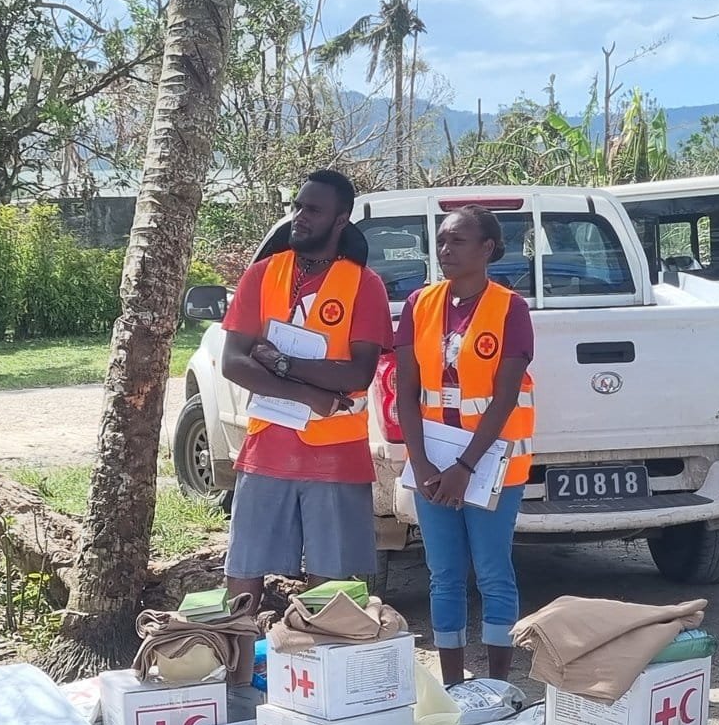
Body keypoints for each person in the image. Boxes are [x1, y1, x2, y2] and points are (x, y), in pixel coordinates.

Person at [218, 170, 392, 602]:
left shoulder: (364, 285)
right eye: (297, 206)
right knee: (242, 579)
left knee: (331, 594)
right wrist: (308, 393)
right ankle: (241, 651)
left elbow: (357, 374)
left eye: (313, 210)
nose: (299, 216)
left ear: (341, 220)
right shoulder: (261, 275)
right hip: (265, 450)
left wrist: (281, 363)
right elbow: (233, 362)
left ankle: (321, 651)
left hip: (337, 458)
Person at [393, 207, 536, 686]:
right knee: (444, 575)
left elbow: (505, 396)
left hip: (490, 463)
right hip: (432, 461)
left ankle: (497, 686)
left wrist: (464, 466)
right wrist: (420, 463)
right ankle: (453, 684)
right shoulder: (419, 303)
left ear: (487, 249)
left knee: (493, 572)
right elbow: (406, 392)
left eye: (457, 241)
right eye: (441, 241)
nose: (445, 250)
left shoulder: (510, 308)